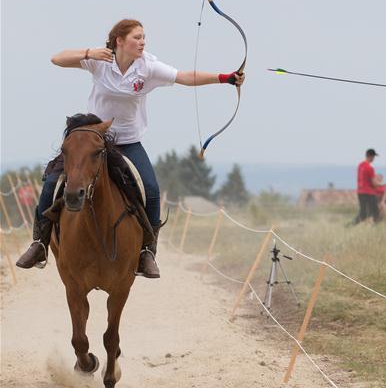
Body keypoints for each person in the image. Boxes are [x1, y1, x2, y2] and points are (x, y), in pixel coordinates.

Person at [16, 18, 245, 278]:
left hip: (128, 142)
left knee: (152, 190)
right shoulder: (99, 60)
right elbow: (56, 59)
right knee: (52, 182)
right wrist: (89, 52)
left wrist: (225, 78)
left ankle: (147, 251)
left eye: (144, 37)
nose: (143, 41)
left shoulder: (148, 66)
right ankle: (40, 244)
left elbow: (185, 76)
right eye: (137, 37)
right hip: (95, 140)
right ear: (119, 41)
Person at [351, 148, 381, 225]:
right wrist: (383, 184)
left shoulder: (360, 166)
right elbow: (374, 184)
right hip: (369, 193)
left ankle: (348, 227)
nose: (374, 159)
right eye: (374, 157)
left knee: (363, 214)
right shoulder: (370, 168)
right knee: (376, 212)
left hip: (360, 192)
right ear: (371, 156)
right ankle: (375, 229)